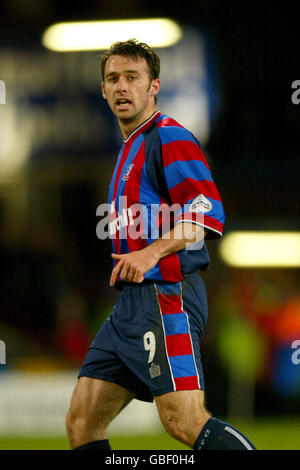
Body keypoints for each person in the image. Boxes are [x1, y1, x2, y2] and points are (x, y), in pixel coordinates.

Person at [65, 39, 256, 451]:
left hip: (166, 296)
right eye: (113, 78)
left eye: (132, 77)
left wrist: (151, 252)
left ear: (154, 86)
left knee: (182, 421)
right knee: (82, 421)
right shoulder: (128, 147)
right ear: (102, 89)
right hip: (128, 309)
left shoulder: (168, 137)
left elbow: (206, 213)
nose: (121, 87)